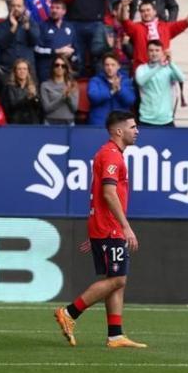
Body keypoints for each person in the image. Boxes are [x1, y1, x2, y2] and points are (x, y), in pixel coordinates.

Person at [54, 110, 147, 349]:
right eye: (133, 127)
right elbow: (108, 192)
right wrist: (125, 226)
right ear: (119, 131)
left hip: (103, 226)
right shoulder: (111, 156)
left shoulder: (110, 154)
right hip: (110, 227)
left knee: (117, 279)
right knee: (117, 279)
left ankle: (115, 335)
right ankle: (69, 313)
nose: (137, 131)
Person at [55, 0, 121, 74]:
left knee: (98, 59)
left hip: (96, 23)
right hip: (76, 22)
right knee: (77, 60)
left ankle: (99, 85)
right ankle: (75, 88)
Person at [120, 0, 188, 71]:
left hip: (163, 70)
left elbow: (185, 23)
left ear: (155, 12)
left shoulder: (165, 27)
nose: (146, 13)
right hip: (142, 70)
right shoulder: (136, 27)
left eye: (148, 10)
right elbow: (125, 22)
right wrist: (124, 7)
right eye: (142, 11)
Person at [135, 40, 184, 127]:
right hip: (146, 120)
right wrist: (159, 66)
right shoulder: (141, 69)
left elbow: (181, 78)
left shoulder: (168, 69)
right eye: (151, 50)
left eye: (157, 50)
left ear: (162, 52)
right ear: (147, 52)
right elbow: (140, 81)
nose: (154, 53)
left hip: (166, 120)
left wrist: (171, 62)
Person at [0, 0, 39, 76]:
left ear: (24, 7)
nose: (16, 8)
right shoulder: (1, 25)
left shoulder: (31, 23)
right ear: (9, 7)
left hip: (27, 69)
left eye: (19, 6)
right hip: (8, 69)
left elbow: (35, 42)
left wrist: (28, 28)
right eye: (13, 5)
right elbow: (1, 45)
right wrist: (13, 27)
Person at [34, 0, 79, 82]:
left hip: (64, 71)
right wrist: (56, 51)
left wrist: (71, 55)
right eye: (52, 7)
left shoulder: (70, 27)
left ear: (64, 11)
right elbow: (36, 49)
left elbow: (75, 49)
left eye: (57, 8)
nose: (54, 10)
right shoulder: (42, 26)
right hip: (47, 71)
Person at [87, 53, 135, 126]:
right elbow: (93, 97)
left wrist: (119, 89)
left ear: (118, 66)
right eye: (107, 65)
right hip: (99, 122)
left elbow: (130, 100)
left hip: (120, 123)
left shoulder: (125, 81)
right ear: (103, 66)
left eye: (113, 65)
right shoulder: (95, 80)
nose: (110, 68)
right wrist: (111, 92)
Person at [40, 56, 78, 126]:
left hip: (68, 123)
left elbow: (74, 108)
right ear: (53, 67)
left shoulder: (72, 85)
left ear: (66, 69)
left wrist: (68, 97)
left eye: (63, 66)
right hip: (50, 123)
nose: (60, 67)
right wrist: (63, 98)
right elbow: (46, 108)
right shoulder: (45, 85)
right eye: (57, 65)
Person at [3, 58, 41, 124]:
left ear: (28, 71)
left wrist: (35, 97)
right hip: (16, 123)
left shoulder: (34, 86)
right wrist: (27, 98)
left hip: (31, 123)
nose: (22, 71)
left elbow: (39, 108)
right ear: (15, 71)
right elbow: (12, 105)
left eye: (24, 69)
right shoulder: (9, 87)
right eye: (19, 69)